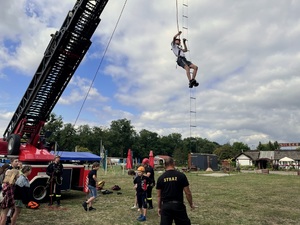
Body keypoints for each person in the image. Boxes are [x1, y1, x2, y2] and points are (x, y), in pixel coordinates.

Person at [156, 157, 196, 225]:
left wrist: (159, 207)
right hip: (178, 205)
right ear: (173, 163)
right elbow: (187, 193)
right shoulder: (181, 176)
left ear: (165, 165)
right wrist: (191, 204)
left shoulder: (161, 178)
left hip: (166, 206)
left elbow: (159, 196)